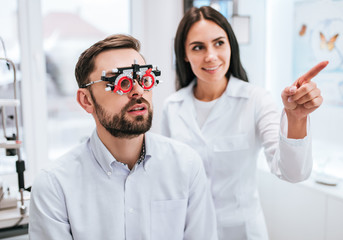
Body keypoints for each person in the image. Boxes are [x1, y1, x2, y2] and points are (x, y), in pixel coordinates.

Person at [161, 6, 328, 240]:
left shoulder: (256, 100)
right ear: (185, 55)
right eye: (198, 47)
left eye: (219, 43)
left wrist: (296, 119)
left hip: (243, 232)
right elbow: (169, 181)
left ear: (231, 46)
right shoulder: (171, 107)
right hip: (190, 231)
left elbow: (293, 173)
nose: (210, 55)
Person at [29, 34, 218, 240]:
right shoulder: (55, 186)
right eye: (122, 82)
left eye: (144, 80)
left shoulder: (186, 165)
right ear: (86, 100)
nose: (138, 91)